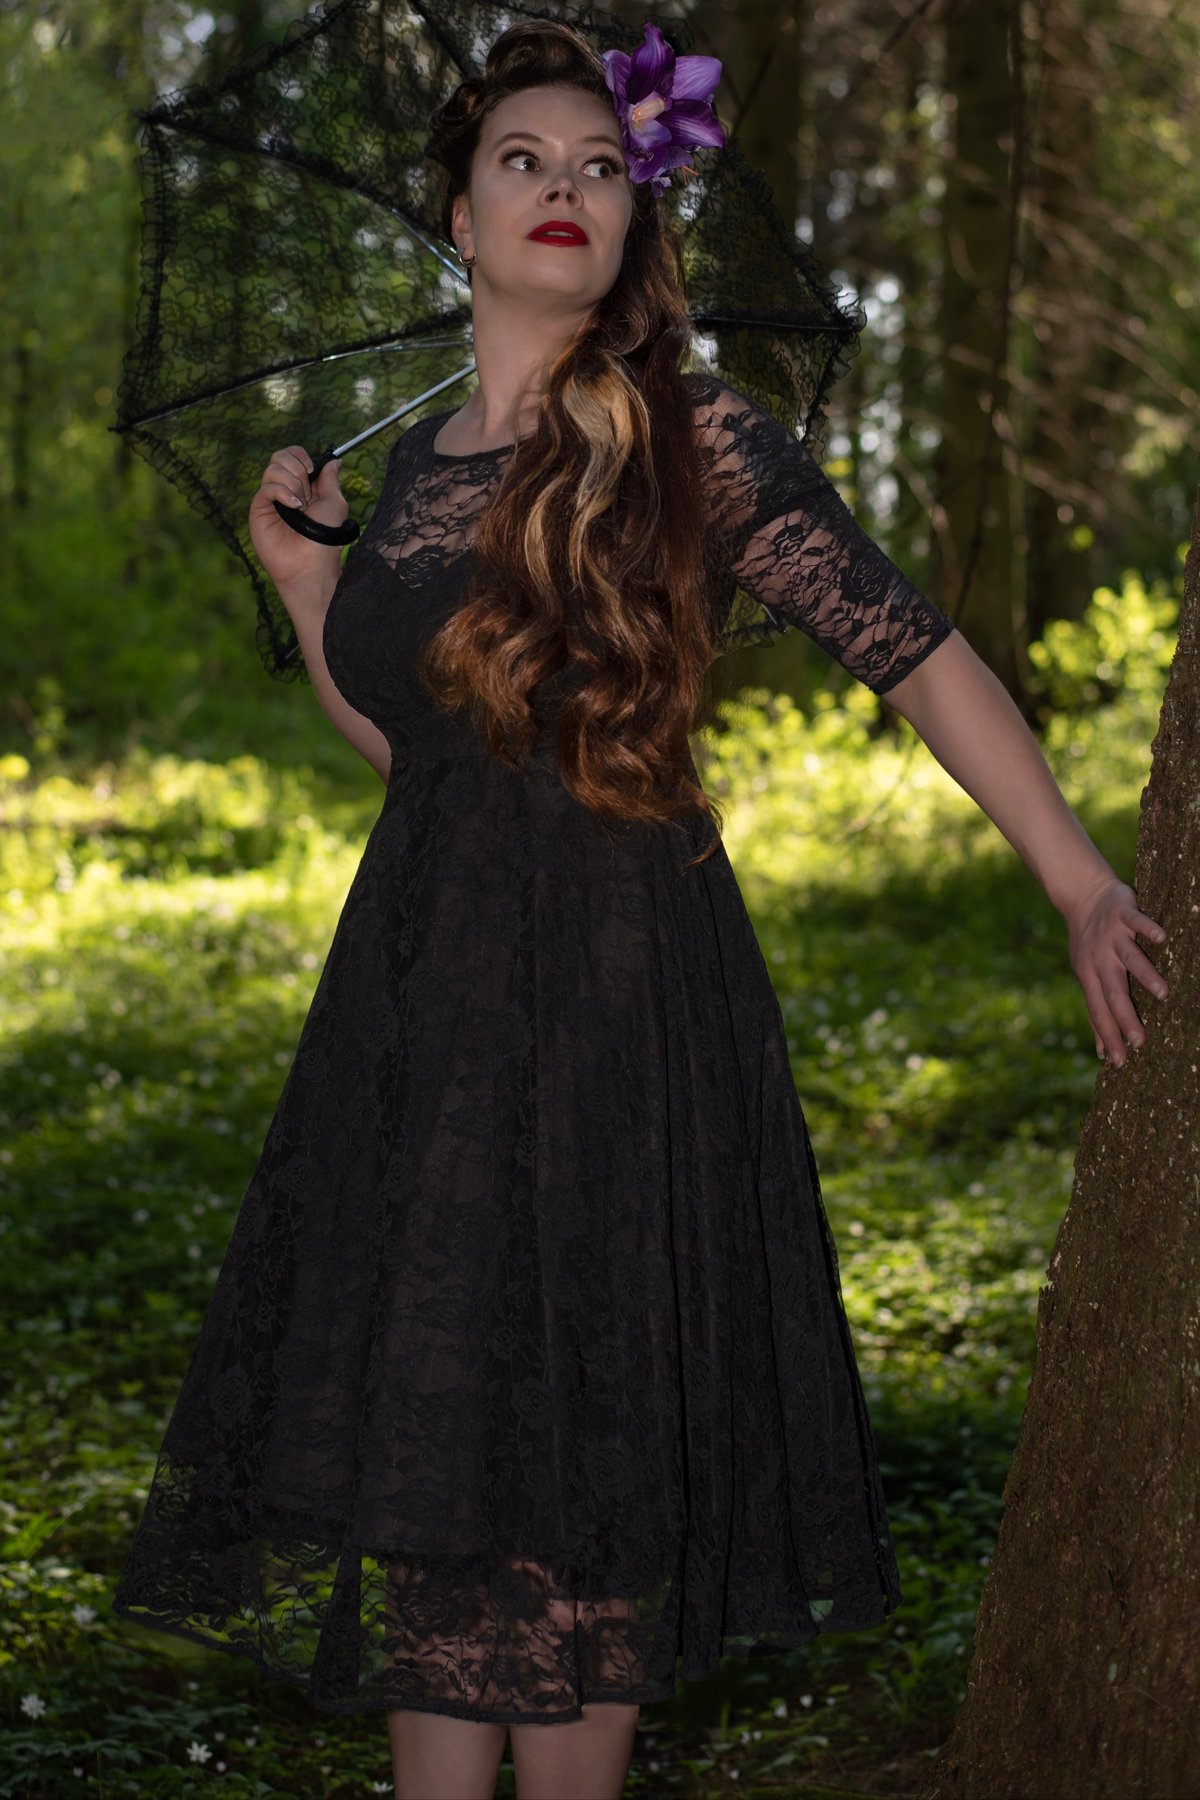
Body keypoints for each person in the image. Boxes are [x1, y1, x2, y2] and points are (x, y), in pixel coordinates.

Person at [113, 17, 1169, 1800]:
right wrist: (305, 590)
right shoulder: (415, 471)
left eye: (602, 167)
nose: (567, 189)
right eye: (523, 161)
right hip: (421, 1015)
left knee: (587, 1433)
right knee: (437, 1434)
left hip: (622, 993)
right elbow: (423, 756)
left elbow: (911, 649)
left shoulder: (688, 436)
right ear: (459, 216)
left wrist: (1077, 880)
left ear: (631, 219)